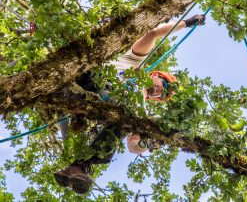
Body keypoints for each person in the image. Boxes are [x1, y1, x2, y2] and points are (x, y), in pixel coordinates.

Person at [54, 14, 206, 194]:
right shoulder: (134, 62)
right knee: (125, 112)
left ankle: (77, 167)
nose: (160, 91)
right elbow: (153, 33)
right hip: (90, 80)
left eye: (163, 95)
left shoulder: (139, 109)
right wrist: (188, 22)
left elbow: (132, 144)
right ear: (156, 75)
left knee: (124, 122)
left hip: (87, 104)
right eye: (164, 86)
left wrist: (146, 144)